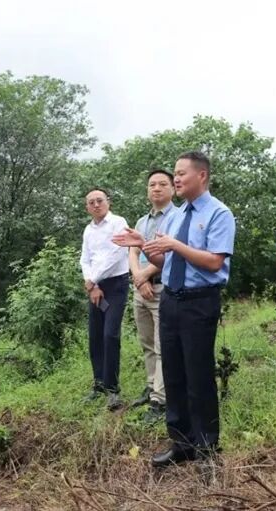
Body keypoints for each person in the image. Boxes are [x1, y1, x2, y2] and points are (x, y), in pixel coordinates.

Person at [113, 151, 236, 467]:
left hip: (199, 301)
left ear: (202, 175)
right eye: (175, 173)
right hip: (170, 299)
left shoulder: (219, 214)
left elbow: (214, 261)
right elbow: (164, 262)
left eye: (181, 173)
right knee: (174, 373)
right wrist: (142, 244)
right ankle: (181, 443)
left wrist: (175, 245)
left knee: (199, 374)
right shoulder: (178, 216)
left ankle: (207, 447)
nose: (176, 179)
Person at [128, 169, 176, 423]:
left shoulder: (178, 217)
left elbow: (170, 254)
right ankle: (150, 386)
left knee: (161, 345)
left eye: (162, 184)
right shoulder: (141, 221)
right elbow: (133, 252)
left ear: (173, 189)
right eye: (152, 185)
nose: (156, 188)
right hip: (140, 288)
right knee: (146, 341)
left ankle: (161, 399)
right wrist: (138, 277)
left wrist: (145, 276)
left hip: (162, 287)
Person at [80, 188, 130, 411]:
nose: (96, 205)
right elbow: (85, 259)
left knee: (110, 335)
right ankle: (98, 383)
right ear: (87, 207)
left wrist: (93, 281)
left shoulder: (118, 223)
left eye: (99, 200)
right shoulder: (88, 230)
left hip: (116, 284)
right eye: (91, 202)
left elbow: (117, 254)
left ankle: (112, 388)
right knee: (96, 335)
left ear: (107, 202)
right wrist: (92, 284)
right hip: (95, 287)